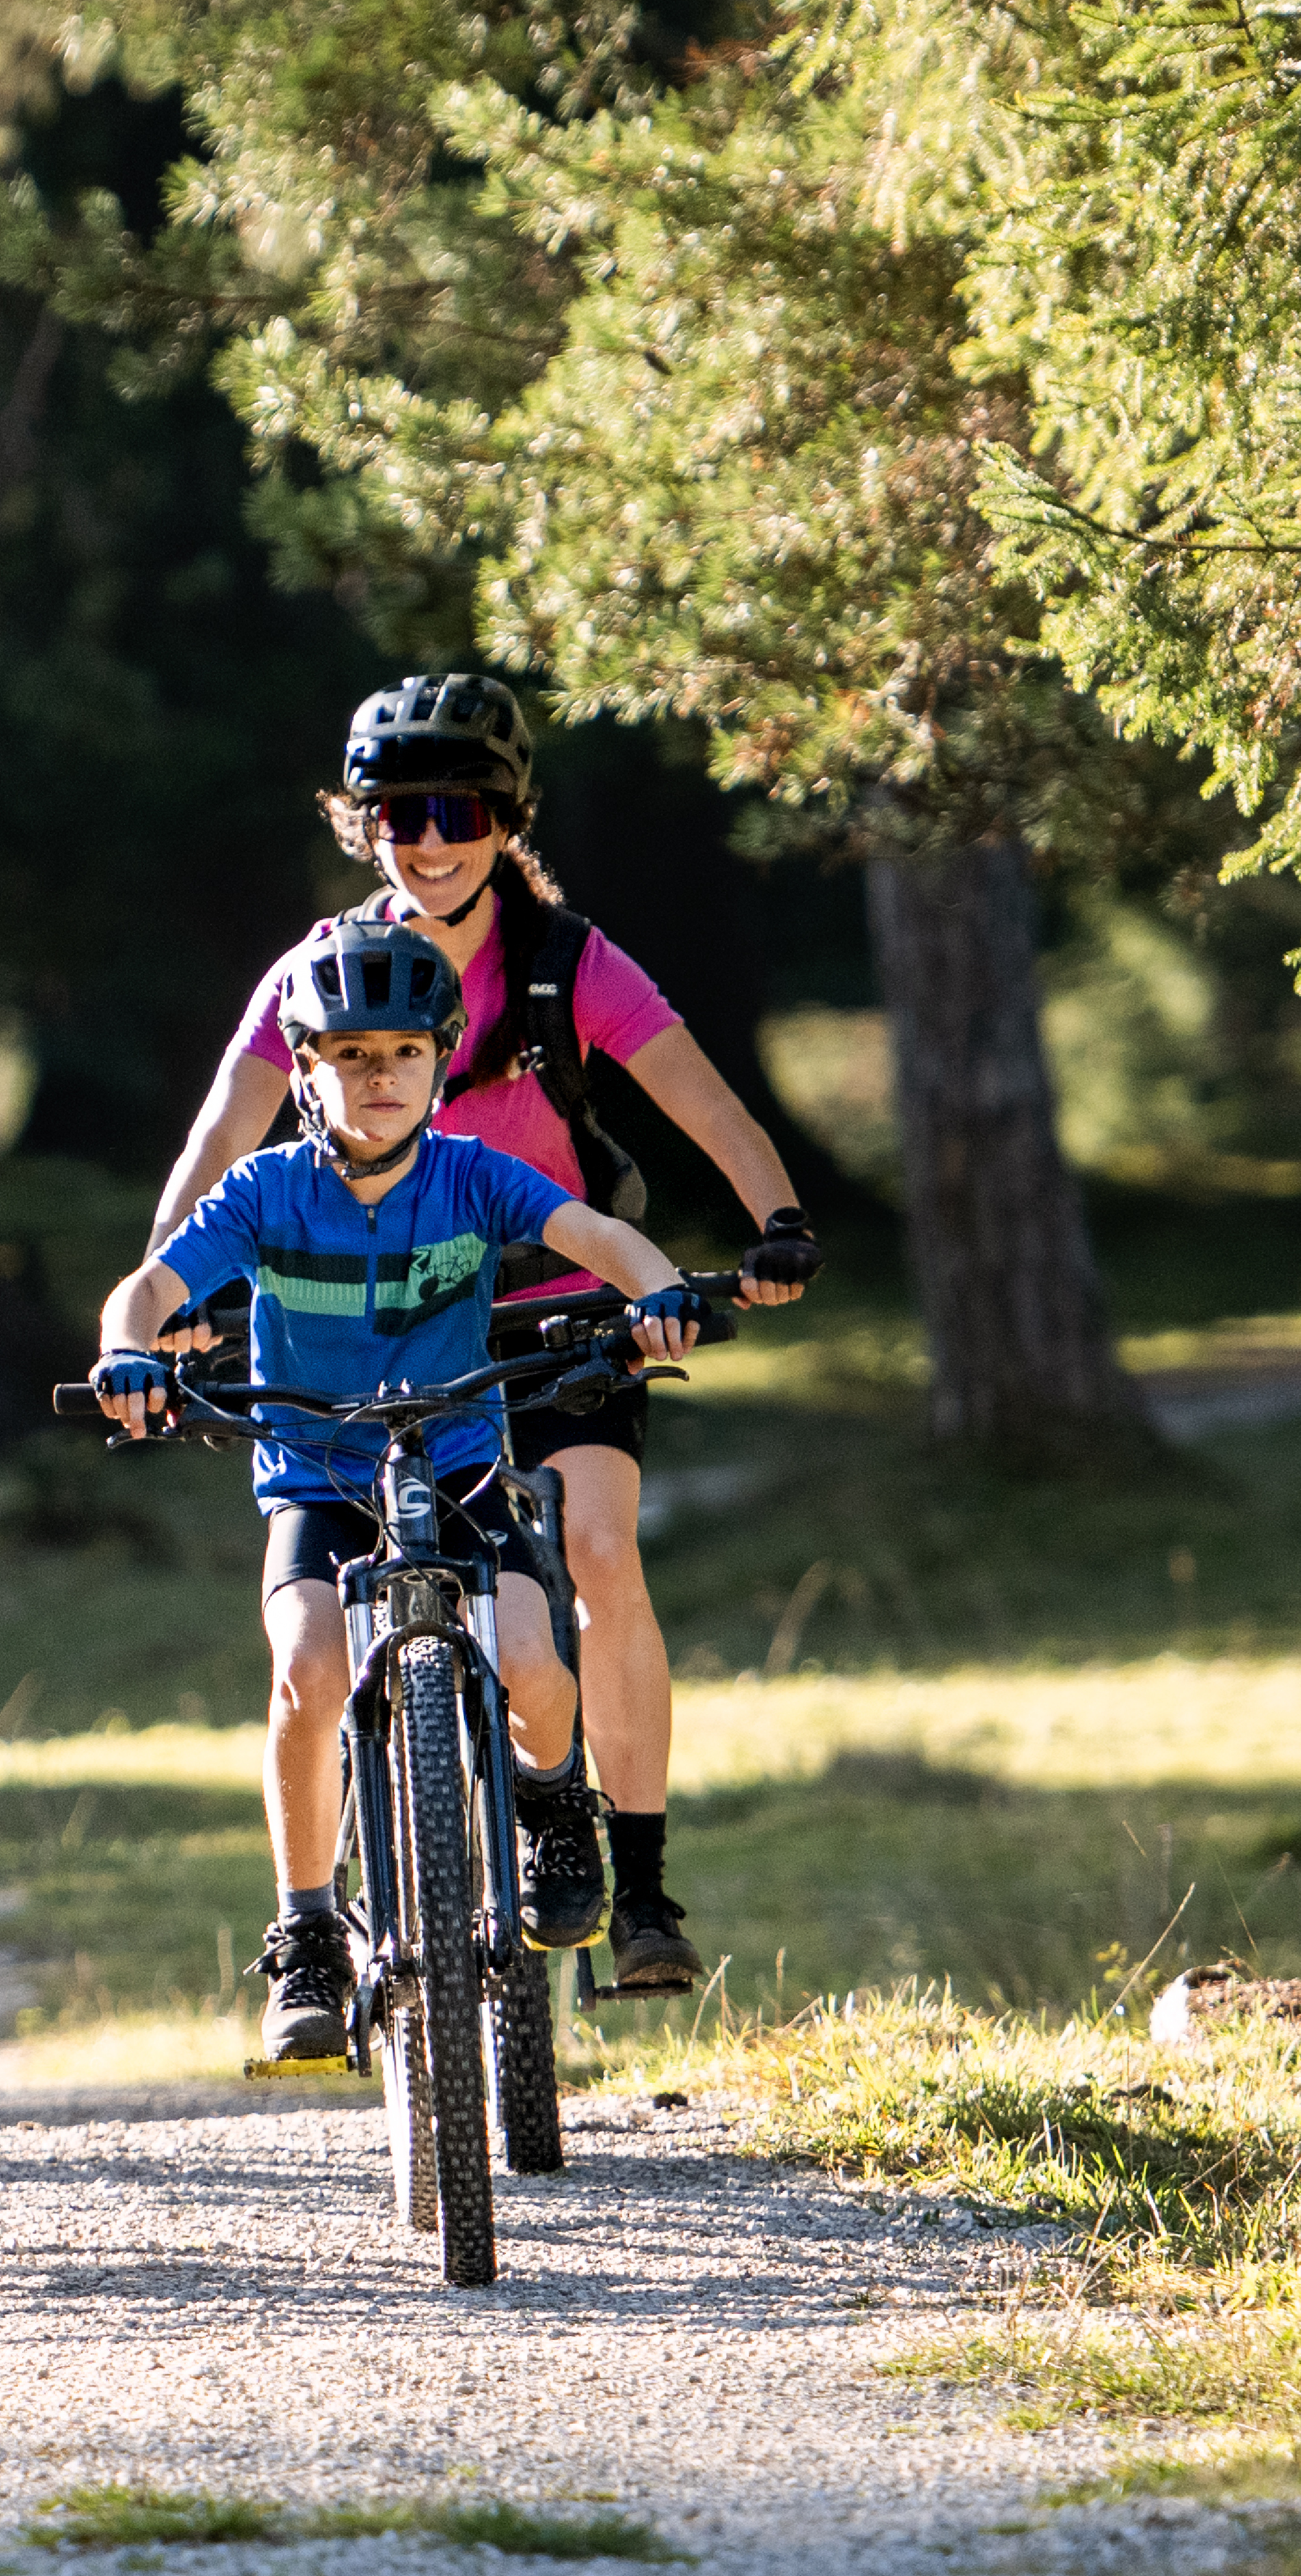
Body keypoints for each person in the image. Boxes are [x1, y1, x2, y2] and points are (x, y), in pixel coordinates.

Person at [151, 672, 820, 1993]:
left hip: (560, 1308)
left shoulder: (567, 962)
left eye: (460, 811)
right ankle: (365, 1864)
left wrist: (779, 1219)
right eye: (400, 813)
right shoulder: (324, 972)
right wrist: (162, 1294)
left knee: (597, 1548)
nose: (431, 840)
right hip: (395, 1324)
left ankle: (636, 1881)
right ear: (365, 826)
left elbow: (699, 1094)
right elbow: (223, 1131)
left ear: (508, 820)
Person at [95, 911, 711, 2073]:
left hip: (461, 1471)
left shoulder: (473, 1176)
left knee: (534, 1657)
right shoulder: (266, 1193)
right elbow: (147, 1290)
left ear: (440, 1060)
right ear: (305, 1070)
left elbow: (598, 1236)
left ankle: (550, 1807)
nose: (380, 1076)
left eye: (406, 1053)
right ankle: (307, 1937)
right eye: (350, 1054)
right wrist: (128, 1352)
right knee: (307, 1667)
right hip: (319, 1482)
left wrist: (659, 1292)